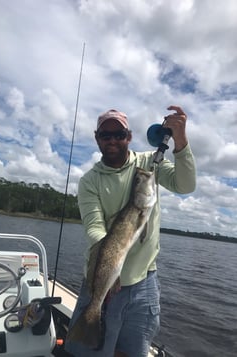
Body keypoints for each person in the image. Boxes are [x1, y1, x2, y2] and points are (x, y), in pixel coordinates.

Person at [65, 106, 196, 357]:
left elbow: (186, 185)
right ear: (97, 138)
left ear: (129, 136)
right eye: (106, 135)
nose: (113, 139)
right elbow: (94, 227)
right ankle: (91, 319)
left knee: (133, 351)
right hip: (100, 280)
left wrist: (180, 140)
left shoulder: (149, 164)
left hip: (144, 284)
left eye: (119, 134)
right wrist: (109, 268)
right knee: (88, 351)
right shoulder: (90, 181)